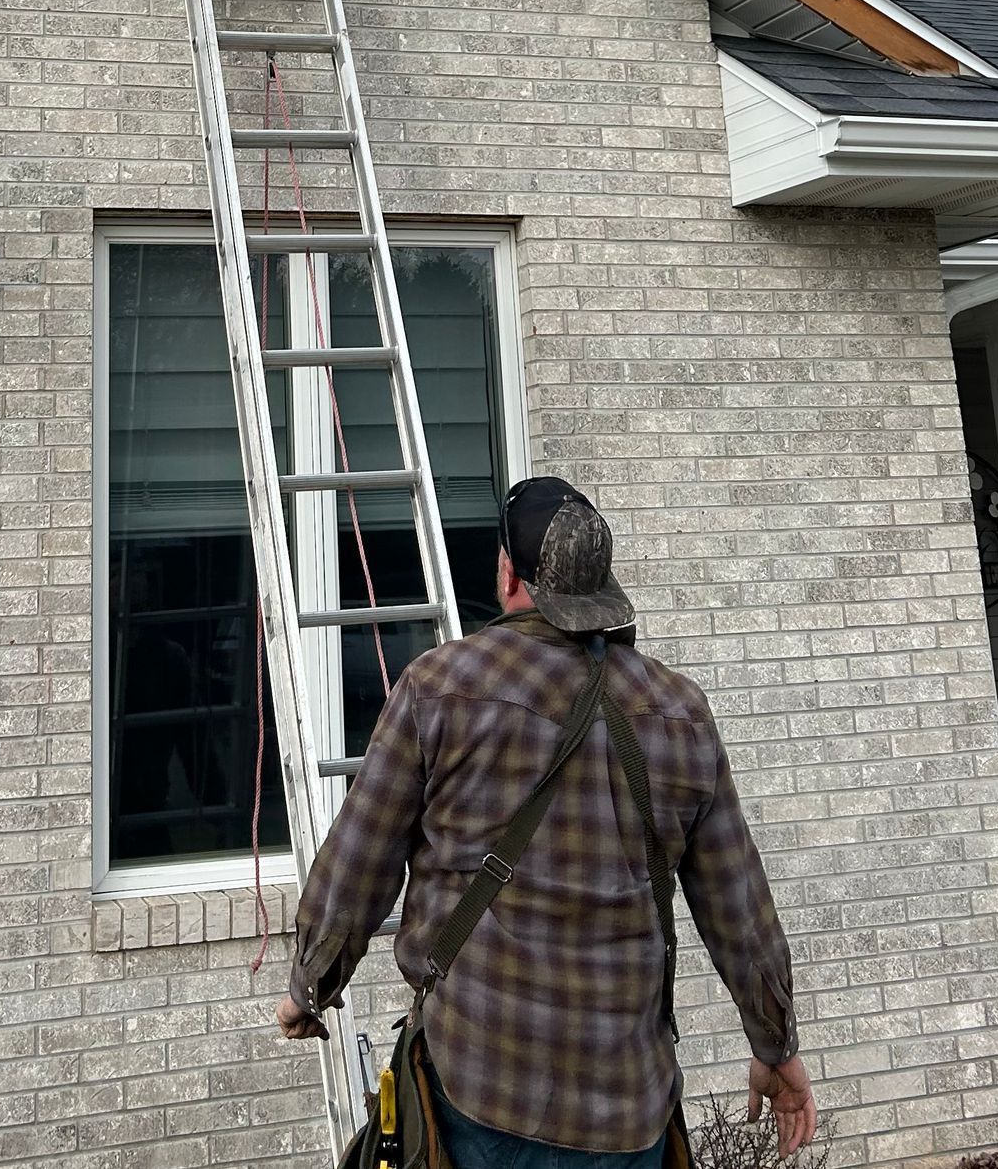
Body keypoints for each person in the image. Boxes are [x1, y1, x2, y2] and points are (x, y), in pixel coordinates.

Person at [277, 477, 817, 1168]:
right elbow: (741, 910)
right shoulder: (681, 712)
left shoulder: (438, 687)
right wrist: (776, 1046)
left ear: (507, 571)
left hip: (480, 1086)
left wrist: (308, 989)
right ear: (602, 584)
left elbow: (357, 866)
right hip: (628, 1110)